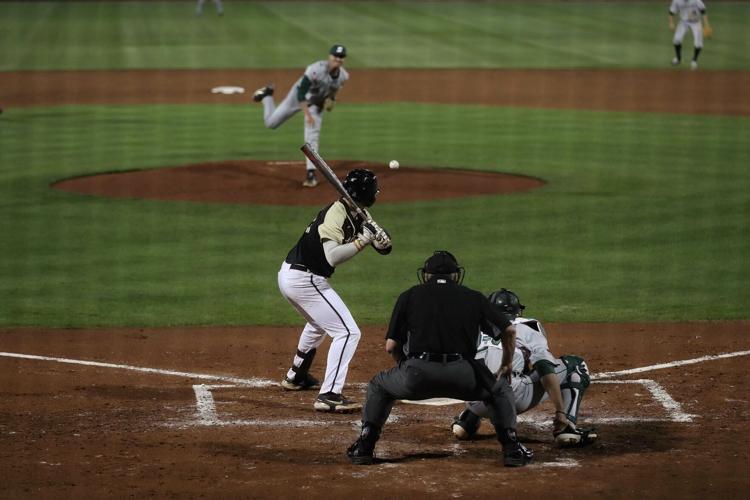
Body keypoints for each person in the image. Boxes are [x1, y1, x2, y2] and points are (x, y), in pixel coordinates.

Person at [347, 252, 534, 467]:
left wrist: (405, 367)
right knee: (500, 389)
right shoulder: (473, 297)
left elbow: (391, 346)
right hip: (463, 376)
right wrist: (506, 364)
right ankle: (512, 449)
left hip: (416, 375)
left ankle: (365, 446)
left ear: (426, 275)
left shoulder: (409, 296)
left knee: (379, 385)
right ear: (456, 275)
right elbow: (509, 331)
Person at [277, 168, 391, 413]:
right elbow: (332, 257)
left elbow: (381, 245)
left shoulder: (359, 212)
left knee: (319, 324)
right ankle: (329, 394)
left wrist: (381, 242)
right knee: (349, 332)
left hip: (295, 276)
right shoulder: (335, 214)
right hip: (303, 279)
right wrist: (362, 241)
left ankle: (296, 375)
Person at [451, 289, 597, 447]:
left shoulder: (474, 326)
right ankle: (566, 427)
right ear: (517, 312)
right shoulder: (527, 326)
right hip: (509, 398)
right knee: (575, 365)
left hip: (471, 396)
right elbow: (544, 366)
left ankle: (468, 420)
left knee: (481, 369)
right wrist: (559, 411)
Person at [252, 44, 349, 187]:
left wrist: (331, 100)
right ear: (329, 56)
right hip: (296, 97)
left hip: (315, 104)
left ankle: (311, 174)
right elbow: (301, 91)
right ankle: (267, 96)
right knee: (271, 123)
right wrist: (306, 114)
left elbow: (332, 92)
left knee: (312, 136)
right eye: (335, 56)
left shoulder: (343, 76)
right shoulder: (315, 69)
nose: (338, 59)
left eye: (341, 57)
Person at [669, 0, 711, 70]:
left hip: (696, 23)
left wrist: (706, 25)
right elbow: (671, 12)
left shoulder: (697, 1)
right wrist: (671, 23)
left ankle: (694, 61)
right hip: (683, 22)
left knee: (698, 43)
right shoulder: (677, 1)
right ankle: (678, 58)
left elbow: (703, 11)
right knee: (676, 40)